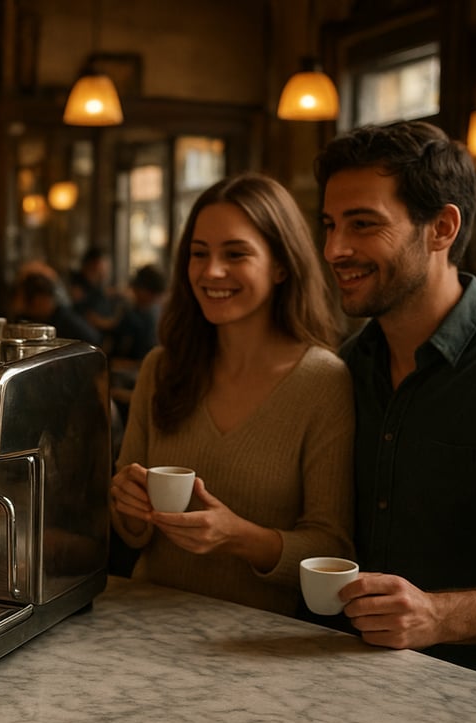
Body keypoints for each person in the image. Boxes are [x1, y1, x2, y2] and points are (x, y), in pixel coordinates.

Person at [316, 121, 476, 723]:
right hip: (351, 709)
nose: (336, 248)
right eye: (329, 224)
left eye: (363, 224)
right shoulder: (341, 370)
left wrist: (439, 615)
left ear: (441, 228)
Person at [109, 173, 354, 615]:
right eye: (198, 254)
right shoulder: (161, 368)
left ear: (281, 265)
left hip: (256, 641)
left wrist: (237, 536)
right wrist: (125, 501)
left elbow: (331, 545)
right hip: (141, 621)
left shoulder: (323, 381)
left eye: (235, 254)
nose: (211, 271)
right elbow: (132, 533)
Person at [11, 266, 102, 346]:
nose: (24, 308)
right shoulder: (32, 319)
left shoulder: (64, 319)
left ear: (42, 298)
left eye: (29, 302)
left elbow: (93, 340)